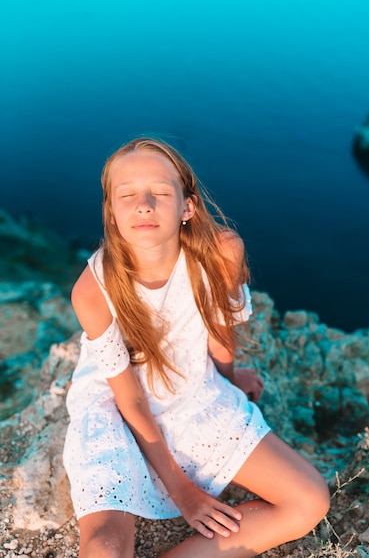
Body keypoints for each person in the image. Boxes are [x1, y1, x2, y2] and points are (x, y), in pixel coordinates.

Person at [63, 137, 329, 558]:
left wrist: (229, 378)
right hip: (117, 405)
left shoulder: (221, 252)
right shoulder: (93, 290)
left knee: (310, 500)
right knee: (104, 547)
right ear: (112, 213)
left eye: (160, 192)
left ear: (187, 206)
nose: (144, 204)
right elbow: (130, 399)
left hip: (192, 391)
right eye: (127, 195)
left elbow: (218, 329)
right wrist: (184, 493)